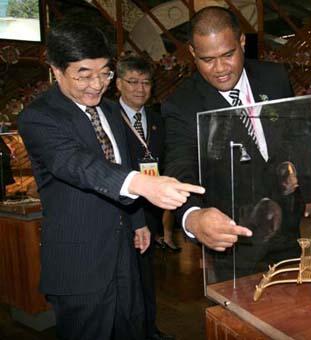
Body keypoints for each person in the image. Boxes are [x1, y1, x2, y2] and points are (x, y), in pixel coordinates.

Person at [18, 22, 204, 340]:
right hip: (80, 261)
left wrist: (137, 223)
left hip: (124, 253)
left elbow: (121, 163)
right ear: (56, 70)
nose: (97, 85)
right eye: (84, 74)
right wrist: (143, 185)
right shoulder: (39, 116)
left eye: (104, 73)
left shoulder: (109, 109)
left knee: (132, 327)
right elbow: (75, 163)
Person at [161, 6, 311, 278]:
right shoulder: (182, 104)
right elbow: (180, 166)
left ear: (242, 43)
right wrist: (193, 217)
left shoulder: (274, 77)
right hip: (233, 235)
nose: (220, 69)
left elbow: (297, 134)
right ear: (192, 53)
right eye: (207, 59)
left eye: (228, 55)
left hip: (285, 223)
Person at [116, 55, 173, 340]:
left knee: (146, 276)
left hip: (149, 210)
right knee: (124, 278)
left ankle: (149, 329)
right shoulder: (109, 117)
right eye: (133, 82)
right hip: (119, 208)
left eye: (146, 82)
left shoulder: (158, 120)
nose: (140, 89)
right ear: (118, 84)